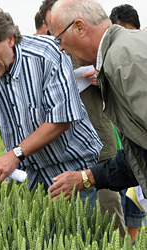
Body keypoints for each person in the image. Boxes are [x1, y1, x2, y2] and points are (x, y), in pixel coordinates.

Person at [0, 3, 102, 214]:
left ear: (9, 39)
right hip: (29, 180)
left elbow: (61, 119)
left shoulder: (47, 54)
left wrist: (14, 154)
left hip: (73, 171)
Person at [48, 0, 147, 236]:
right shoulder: (125, 49)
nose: (61, 49)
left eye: (60, 40)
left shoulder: (122, 61)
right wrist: (89, 176)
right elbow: (140, 152)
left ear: (80, 27)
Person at [109, 4, 146, 241]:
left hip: (137, 155)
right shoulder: (104, 68)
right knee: (119, 206)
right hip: (116, 154)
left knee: (135, 210)